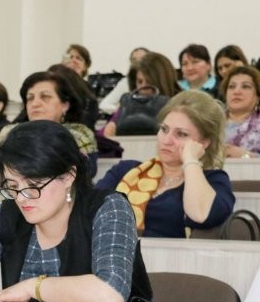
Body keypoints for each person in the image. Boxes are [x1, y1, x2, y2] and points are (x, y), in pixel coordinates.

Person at [0, 120, 152, 302]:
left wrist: (32, 287)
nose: (21, 197)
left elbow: (110, 293)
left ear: (68, 176)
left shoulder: (109, 208)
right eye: (12, 185)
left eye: (34, 184)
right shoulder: (7, 215)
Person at [96, 91, 235, 238]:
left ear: (203, 143)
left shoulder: (213, 181)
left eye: (181, 134)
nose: (167, 140)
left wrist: (190, 160)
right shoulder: (126, 171)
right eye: (164, 129)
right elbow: (87, 210)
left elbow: (201, 215)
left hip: (172, 259)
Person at [0, 70, 97, 188]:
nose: (35, 103)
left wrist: (3, 176)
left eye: (45, 97)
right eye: (30, 98)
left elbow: (78, 172)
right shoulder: (12, 132)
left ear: (65, 105)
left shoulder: (80, 133)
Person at [101, 52, 181, 138]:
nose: (144, 87)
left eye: (150, 81)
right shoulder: (128, 107)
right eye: (139, 82)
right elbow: (100, 138)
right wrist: (108, 134)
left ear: (163, 81)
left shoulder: (182, 107)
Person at [222, 65, 260, 158]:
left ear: (257, 97)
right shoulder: (210, 123)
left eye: (245, 86)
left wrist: (246, 155)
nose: (237, 91)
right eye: (231, 86)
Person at [99, 47, 150, 114]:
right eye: (134, 60)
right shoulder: (125, 82)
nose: (138, 62)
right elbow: (104, 105)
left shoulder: (158, 80)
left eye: (142, 59)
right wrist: (124, 110)